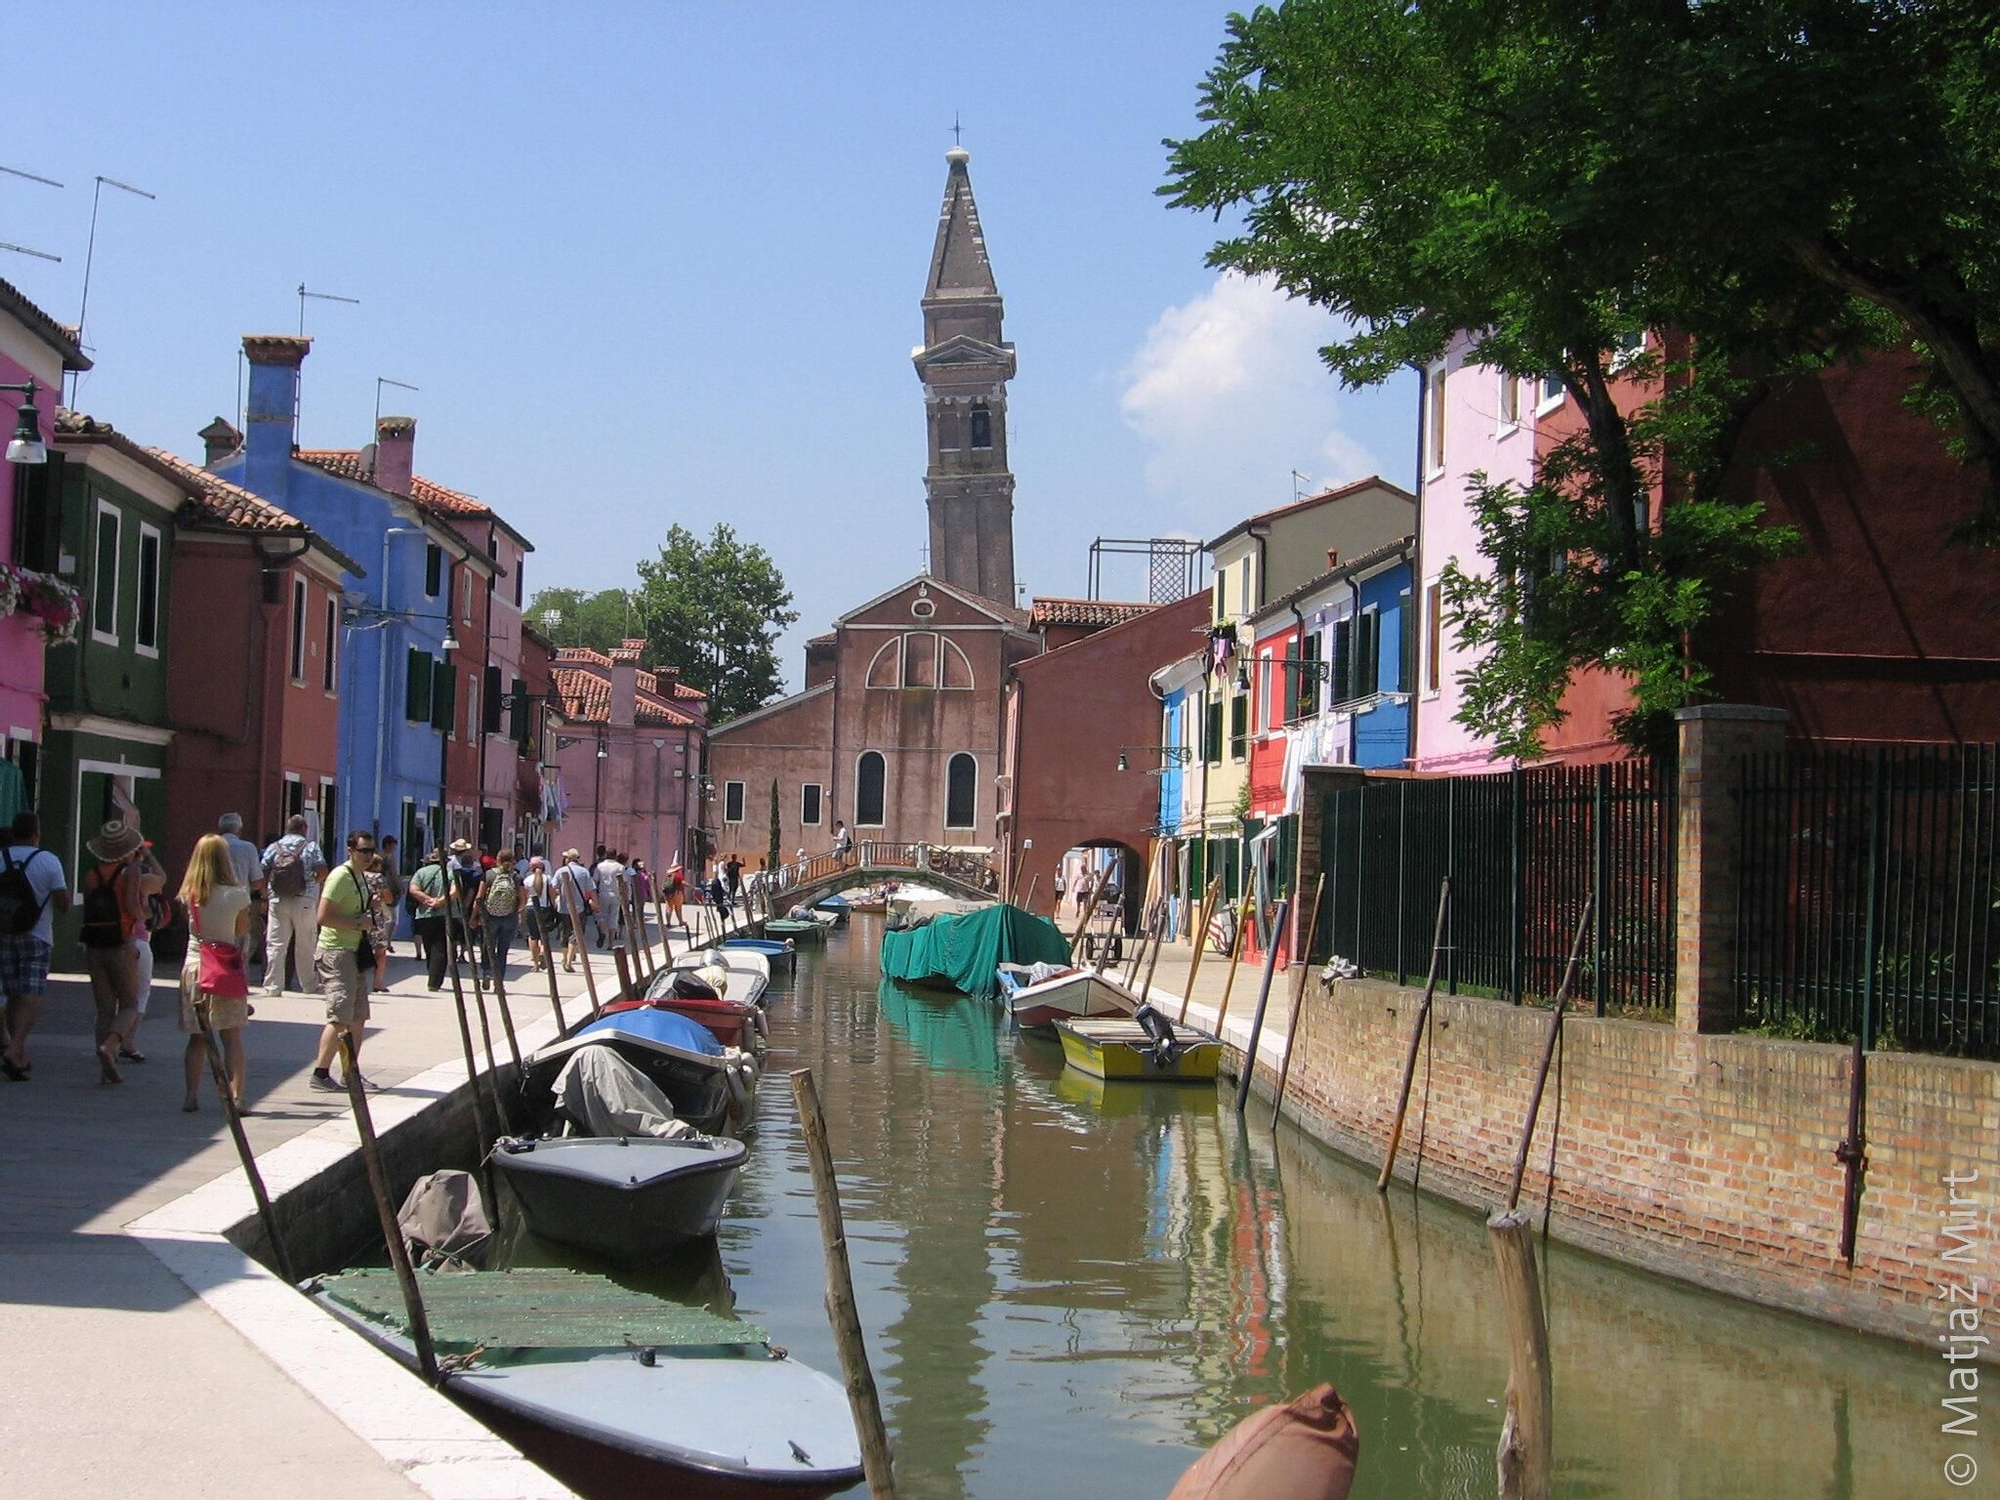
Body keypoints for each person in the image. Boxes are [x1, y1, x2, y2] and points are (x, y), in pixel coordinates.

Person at [177, 833, 253, 1113]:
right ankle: (236, 1097)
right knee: (232, 1036)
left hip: (195, 966)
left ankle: (191, 1095)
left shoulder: (190, 894)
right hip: (224, 968)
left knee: (197, 1037)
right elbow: (240, 931)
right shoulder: (237, 894)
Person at [0, 810, 70, 1082]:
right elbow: (64, 903)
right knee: (31, 991)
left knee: (12, 992)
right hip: (37, 935)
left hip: (3, 932)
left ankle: (18, 1053)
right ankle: (16, 1047)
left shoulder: (1, 857)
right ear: (36, 833)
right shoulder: (48, 861)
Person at [308, 830, 378, 1092]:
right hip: (337, 952)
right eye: (364, 851)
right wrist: (357, 923)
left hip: (354, 950)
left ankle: (351, 1070)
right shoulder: (339, 876)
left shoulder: (360, 877)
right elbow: (322, 916)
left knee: (358, 1015)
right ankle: (321, 1072)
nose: (369, 856)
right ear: (351, 850)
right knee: (339, 1015)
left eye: (371, 851)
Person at [261, 814, 326, 997]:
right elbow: (322, 870)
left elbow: (263, 868)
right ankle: (309, 984)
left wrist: (268, 891)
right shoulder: (310, 846)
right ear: (304, 828)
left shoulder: (274, 847)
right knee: (305, 944)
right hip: (304, 900)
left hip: (278, 900)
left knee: (276, 945)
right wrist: (313, 882)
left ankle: (273, 986)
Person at [218, 813, 267, 967]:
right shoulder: (248, 848)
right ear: (239, 830)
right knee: (239, 944)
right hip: (240, 902)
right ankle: (236, 979)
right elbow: (258, 881)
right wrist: (244, 889)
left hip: (213, 900)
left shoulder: (209, 846)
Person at [407, 848, 450, 990]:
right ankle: (434, 981)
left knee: (428, 946)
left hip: (424, 914)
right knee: (440, 948)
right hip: (443, 914)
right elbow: (455, 891)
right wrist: (439, 902)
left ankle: (432, 973)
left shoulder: (420, 872)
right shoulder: (448, 872)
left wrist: (426, 899)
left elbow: (413, 889)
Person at [480, 848, 522, 981]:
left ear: (498, 859)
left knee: (488, 945)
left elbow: (479, 897)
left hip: (491, 916)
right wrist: (517, 912)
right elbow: (523, 898)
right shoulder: (516, 876)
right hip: (510, 917)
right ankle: (499, 980)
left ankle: (487, 971)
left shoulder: (489, 874)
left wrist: (475, 916)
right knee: (502, 951)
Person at [446, 839, 483, 972]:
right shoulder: (474, 873)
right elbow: (472, 890)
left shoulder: (449, 864)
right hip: (467, 903)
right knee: (466, 931)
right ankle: (462, 954)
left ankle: (454, 952)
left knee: (454, 929)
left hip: (452, 901)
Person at [363, 844, 397, 992]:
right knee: (380, 952)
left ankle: (360, 981)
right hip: (376, 918)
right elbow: (389, 898)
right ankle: (377, 983)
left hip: (359, 916)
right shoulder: (377, 878)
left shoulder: (356, 875)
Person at [556, 848, 594, 971]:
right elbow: (591, 890)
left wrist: (554, 900)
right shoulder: (584, 872)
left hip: (562, 907)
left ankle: (565, 957)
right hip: (579, 907)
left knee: (564, 932)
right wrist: (596, 904)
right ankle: (569, 961)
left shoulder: (560, 871)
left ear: (567, 859)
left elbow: (553, 887)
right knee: (576, 934)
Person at [594, 847, 627, 949]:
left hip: (603, 893)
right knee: (614, 917)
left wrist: (594, 894)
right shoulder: (620, 867)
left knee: (602, 916)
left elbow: (595, 881)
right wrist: (625, 896)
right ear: (615, 855)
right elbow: (623, 883)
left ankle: (602, 933)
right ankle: (611, 943)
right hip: (616, 894)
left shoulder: (600, 866)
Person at [376, 835, 403, 956]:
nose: (394, 848)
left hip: (379, 889)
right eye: (393, 845)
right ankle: (387, 941)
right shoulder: (390, 858)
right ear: (388, 845)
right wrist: (400, 887)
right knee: (393, 919)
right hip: (391, 889)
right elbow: (393, 873)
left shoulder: (378, 857)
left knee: (382, 917)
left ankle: (384, 940)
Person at [663, 858, 686, 930]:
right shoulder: (678, 875)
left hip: (668, 893)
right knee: (678, 908)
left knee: (668, 908)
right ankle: (680, 921)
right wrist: (692, 887)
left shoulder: (668, 876)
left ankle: (668, 923)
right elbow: (682, 882)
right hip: (677, 893)